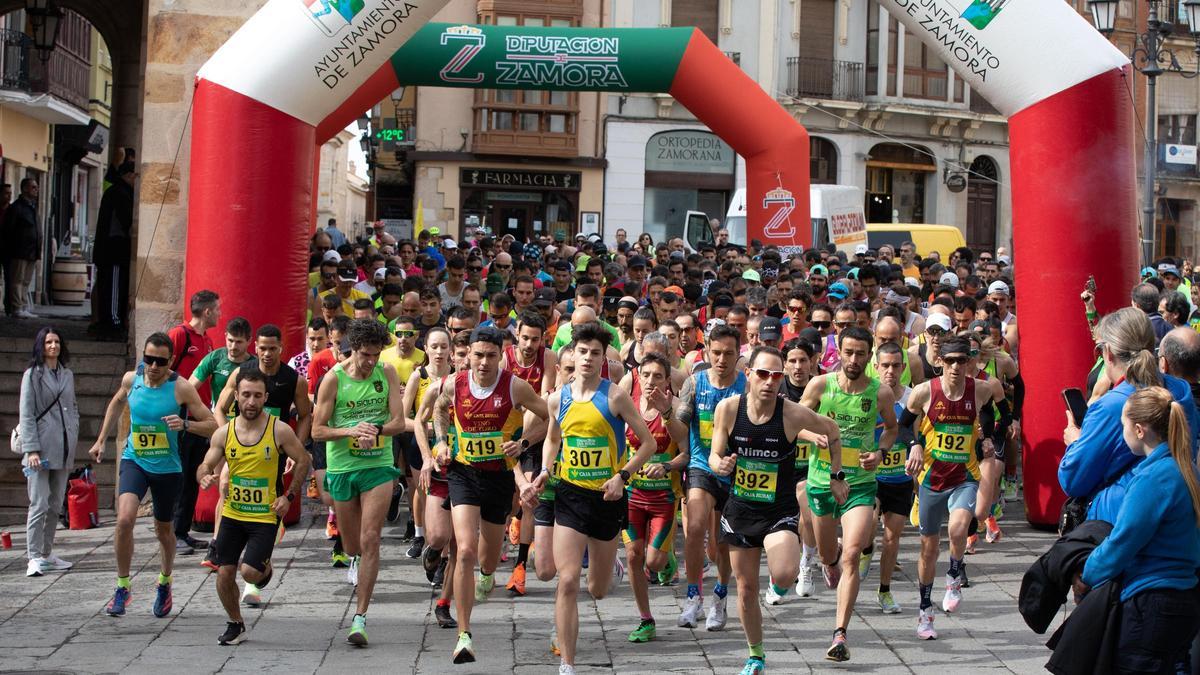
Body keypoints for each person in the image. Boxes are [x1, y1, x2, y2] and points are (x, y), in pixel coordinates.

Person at [532, 322, 659, 675]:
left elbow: (647, 443)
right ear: (572, 354)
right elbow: (553, 439)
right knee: (568, 579)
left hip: (608, 497)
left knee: (598, 590)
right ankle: (568, 664)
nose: (588, 358)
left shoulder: (615, 395)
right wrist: (545, 469)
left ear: (604, 358)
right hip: (570, 496)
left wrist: (623, 476)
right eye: (583, 352)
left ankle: (609, 567)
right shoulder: (558, 398)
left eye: (596, 353)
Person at [710, 346, 840, 675]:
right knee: (746, 588)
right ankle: (756, 655)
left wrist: (837, 476)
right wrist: (720, 464)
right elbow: (714, 453)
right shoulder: (728, 408)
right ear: (749, 375)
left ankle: (779, 588)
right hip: (740, 509)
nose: (770, 381)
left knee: (784, 572)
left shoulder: (792, 413)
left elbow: (833, 431)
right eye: (763, 374)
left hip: (778, 510)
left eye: (776, 375)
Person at [424, 326, 549, 664]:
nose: (482, 362)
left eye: (490, 356)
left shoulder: (515, 386)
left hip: (498, 478)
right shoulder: (456, 382)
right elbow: (439, 408)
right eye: (477, 355)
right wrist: (440, 442)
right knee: (463, 549)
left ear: (501, 355)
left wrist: (523, 443)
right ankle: (464, 635)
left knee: (486, 559)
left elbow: (549, 418)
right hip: (464, 472)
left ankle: (490, 575)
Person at [89, 332, 218, 617]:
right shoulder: (130, 379)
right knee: (124, 520)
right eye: (149, 359)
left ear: (171, 360)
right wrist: (101, 440)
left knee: (163, 530)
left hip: (167, 468)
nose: (154, 366)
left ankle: (165, 582)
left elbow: (212, 424)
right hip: (135, 460)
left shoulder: (181, 388)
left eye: (161, 361)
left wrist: (185, 425)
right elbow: (116, 402)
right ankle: (123, 587)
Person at [1075, 386, 1200, 673]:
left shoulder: (1155, 478)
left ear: (1140, 430)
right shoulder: (1187, 469)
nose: (1123, 433)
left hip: (1152, 600)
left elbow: (1124, 540)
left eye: (1123, 426)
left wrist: (1088, 573)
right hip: (1183, 597)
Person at [800, 326, 897, 662]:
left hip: (859, 484)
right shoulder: (820, 385)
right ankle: (829, 559)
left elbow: (892, 428)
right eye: (849, 352)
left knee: (852, 556)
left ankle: (840, 633)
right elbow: (794, 422)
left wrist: (881, 453)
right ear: (838, 352)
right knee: (830, 555)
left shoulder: (880, 392)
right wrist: (813, 437)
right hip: (821, 483)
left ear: (870, 355)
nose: (854, 359)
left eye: (861, 353)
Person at [196, 367, 310, 645]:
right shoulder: (224, 433)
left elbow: (304, 460)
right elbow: (205, 464)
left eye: (257, 396)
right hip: (233, 514)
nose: (251, 401)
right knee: (223, 573)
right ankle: (235, 623)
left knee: (250, 573)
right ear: (236, 395)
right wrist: (204, 476)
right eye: (245, 394)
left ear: (265, 397)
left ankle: (265, 569)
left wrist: (289, 497)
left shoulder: (279, 430)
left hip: (265, 516)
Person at [311, 319, 406, 645]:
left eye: (376, 355)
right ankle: (351, 554)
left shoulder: (387, 373)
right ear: (352, 349)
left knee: (371, 539)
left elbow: (398, 421)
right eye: (366, 355)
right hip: (342, 468)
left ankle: (360, 617)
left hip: (378, 466)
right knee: (352, 545)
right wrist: (351, 431)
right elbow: (317, 431)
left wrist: (375, 430)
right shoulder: (333, 380)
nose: (371, 362)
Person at [1060, 308, 1200, 524]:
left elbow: (1074, 480)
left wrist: (1075, 442)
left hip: (1123, 518)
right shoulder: (1181, 390)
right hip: (1178, 510)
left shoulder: (1111, 406)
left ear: (1108, 352)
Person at [901, 336, 1000, 640]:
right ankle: (924, 611)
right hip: (931, 479)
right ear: (940, 362)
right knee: (928, 550)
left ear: (970, 361)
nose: (957, 366)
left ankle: (955, 574)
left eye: (962, 360)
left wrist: (987, 436)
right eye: (951, 361)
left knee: (958, 529)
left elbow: (996, 411)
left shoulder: (981, 389)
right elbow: (904, 425)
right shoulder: (923, 392)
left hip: (964, 476)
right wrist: (915, 445)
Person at [671, 324, 746, 631]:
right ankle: (693, 597)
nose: (722, 359)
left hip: (736, 470)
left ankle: (720, 595)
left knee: (722, 542)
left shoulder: (747, 386)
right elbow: (678, 429)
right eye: (716, 353)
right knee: (696, 527)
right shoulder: (694, 383)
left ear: (738, 354)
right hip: (702, 464)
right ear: (706, 353)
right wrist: (666, 412)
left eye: (729, 353)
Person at [621, 353, 687, 643]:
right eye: (645, 375)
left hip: (664, 499)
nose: (650, 381)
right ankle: (645, 619)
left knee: (654, 563)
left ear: (667, 380)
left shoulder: (675, 408)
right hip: (632, 495)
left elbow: (687, 453)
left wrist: (667, 466)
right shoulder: (627, 407)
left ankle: (666, 560)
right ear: (638, 377)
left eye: (657, 376)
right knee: (634, 556)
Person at [19, 327, 79, 577]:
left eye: (56, 342)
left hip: (63, 447)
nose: (53, 346)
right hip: (41, 448)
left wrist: (74, 429)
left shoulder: (67, 374)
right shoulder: (32, 375)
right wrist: (31, 448)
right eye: (48, 342)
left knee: (55, 504)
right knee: (39, 503)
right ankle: (33, 556)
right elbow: (27, 413)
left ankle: (47, 552)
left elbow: (72, 406)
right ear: (41, 346)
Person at [169, 289, 220, 555]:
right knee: (180, 475)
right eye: (218, 309)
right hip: (181, 416)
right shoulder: (180, 335)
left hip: (201, 417)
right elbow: (162, 369)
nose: (220, 314)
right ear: (208, 311)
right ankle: (173, 533)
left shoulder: (208, 341)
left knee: (193, 476)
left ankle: (182, 531)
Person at [867, 342, 916, 615]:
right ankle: (864, 548)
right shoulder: (869, 395)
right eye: (884, 366)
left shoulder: (912, 397)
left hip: (900, 478)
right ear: (876, 367)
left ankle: (884, 590)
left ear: (903, 368)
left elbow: (917, 438)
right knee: (869, 523)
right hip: (871, 476)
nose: (890, 371)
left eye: (895, 366)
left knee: (892, 538)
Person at [91, 162, 136, 335]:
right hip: (114, 250)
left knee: (110, 286)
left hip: (110, 250)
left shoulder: (116, 191)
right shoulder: (120, 193)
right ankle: (113, 322)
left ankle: (110, 321)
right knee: (114, 287)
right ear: (130, 175)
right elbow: (126, 222)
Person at [1, 178, 40, 318]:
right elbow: (8, 231)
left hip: (31, 251)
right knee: (17, 280)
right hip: (19, 251)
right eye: (33, 187)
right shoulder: (16, 208)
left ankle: (23, 306)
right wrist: (11, 249)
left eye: (36, 187)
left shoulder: (32, 206)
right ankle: (16, 307)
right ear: (24, 189)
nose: (36, 189)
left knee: (26, 281)